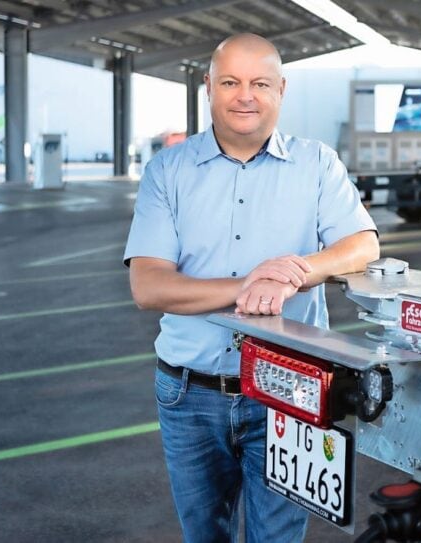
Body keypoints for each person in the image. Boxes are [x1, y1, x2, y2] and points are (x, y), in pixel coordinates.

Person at [123, 33, 379, 542]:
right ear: (209, 87)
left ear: (281, 89)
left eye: (260, 83)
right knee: (204, 537)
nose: (246, 96)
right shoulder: (167, 171)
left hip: (292, 392)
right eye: (231, 82)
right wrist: (250, 284)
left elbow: (363, 245)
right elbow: (147, 285)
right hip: (188, 394)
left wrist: (294, 272)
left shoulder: (317, 164)